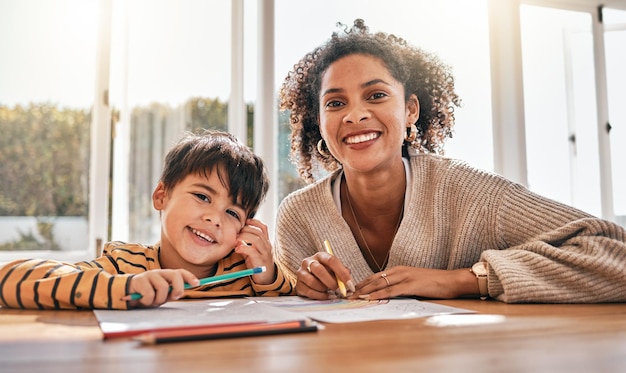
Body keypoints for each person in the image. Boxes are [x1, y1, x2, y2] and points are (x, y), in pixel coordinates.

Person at [274, 19, 626, 303]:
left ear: (410, 110)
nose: (355, 115)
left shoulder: (471, 194)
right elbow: (291, 312)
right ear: (319, 122)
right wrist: (299, 289)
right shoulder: (298, 217)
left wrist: (465, 280)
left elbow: (614, 252)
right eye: (336, 103)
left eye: (376, 95)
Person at [0, 130, 293, 310]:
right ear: (161, 196)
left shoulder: (248, 276)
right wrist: (124, 288)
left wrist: (265, 273)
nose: (214, 218)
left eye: (232, 213)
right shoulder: (124, 264)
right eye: (203, 197)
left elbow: (293, 299)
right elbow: (10, 279)